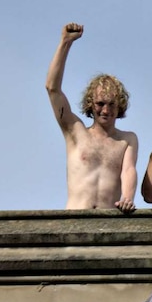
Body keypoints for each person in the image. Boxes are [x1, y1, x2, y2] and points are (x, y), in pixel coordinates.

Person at [45, 23, 138, 213]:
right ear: (91, 104)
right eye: (100, 103)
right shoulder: (75, 131)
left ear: (119, 105)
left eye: (111, 104)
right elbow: (52, 89)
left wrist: (127, 198)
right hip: (75, 219)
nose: (105, 110)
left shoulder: (126, 140)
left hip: (109, 221)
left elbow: (128, 170)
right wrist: (65, 43)